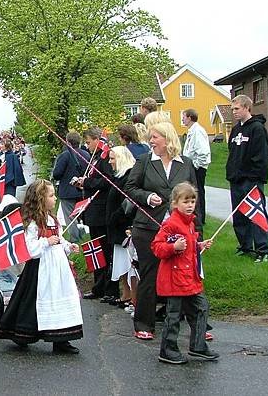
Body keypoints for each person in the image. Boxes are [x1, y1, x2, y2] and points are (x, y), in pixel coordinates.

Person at [124, 122, 198, 341]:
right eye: (150, 137)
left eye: (155, 137)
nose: (151, 141)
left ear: (168, 139)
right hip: (148, 227)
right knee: (150, 274)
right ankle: (144, 323)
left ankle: (197, 324)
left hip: (181, 229)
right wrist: (146, 197)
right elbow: (129, 188)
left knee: (184, 273)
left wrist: (198, 231)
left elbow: (195, 197)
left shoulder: (186, 164)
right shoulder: (144, 161)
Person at [0, 179, 83, 353]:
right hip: (41, 267)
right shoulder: (34, 222)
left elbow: (60, 238)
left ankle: (62, 339)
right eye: (51, 196)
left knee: (62, 298)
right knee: (33, 300)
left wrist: (68, 246)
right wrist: (46, 242)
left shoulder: (52, 218)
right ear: (41, 199)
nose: (55, 199)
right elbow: (29, 247)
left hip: (58, 267)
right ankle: (22, 334)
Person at [151, 183, 219, 364]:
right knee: (173, 316)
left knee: (201, 307)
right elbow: (157, 248)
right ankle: (167, 349)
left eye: (192, 201)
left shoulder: (190, 223)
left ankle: (198, 345)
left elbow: (188, 248)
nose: (190, 205)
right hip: (174, 280)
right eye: (185, 201)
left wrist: (199, 246)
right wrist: (173, 247)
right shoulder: (170, 224)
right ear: (175, 203)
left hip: (189, 278)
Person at [226, 95, 268, 262]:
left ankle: (263, 249)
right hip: (236, 179)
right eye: (232, 109)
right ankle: (245, 246)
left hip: (251, 180)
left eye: (237, 108)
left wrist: (255, 177)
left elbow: (262, 156)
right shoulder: (236, 129)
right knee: (239, 215)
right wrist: (231, 172)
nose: (234, 112)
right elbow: (232, 153)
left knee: (255, 213)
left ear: (246, 107)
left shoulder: (257, 129)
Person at [80, 127, 118, 302]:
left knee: (103, 249)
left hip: (101, 211)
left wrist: (87, 182)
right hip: (92, 210)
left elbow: (107, 181)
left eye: (88, 142)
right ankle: (98, 285)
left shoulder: (104, 157)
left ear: (97, 140)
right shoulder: (94, 158)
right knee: (96, 249)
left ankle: (105, 287)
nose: (87, 146)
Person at [106, 146, 137, 308]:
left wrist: (114, 217)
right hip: (116, 226)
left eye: (113, 158)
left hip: (123, 225)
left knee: (128, 264)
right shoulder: (119, 176)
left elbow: (128, 203)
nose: (110, 162)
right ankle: (125, 293)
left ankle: (132, 297)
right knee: (121, 263)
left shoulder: (128, 176)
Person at [52, 131, 90, 243]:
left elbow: (57, 174)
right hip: (81, 189)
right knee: (81, 215)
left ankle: (75, 239)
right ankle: (84, 237)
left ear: (67, 141)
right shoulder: (86, 154)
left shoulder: (65, 155)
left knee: (70, 217)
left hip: (67, 191)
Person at [182, 108, 211, 226]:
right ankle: (196, 216)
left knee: (198, 192)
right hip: (192, 166)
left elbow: (203, 152)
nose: (182, 119)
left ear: (189, 117)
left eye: (184, 117)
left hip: (197, 168)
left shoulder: (197, 131)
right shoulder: (191, 131)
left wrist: (196, 166)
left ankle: (200, 218)